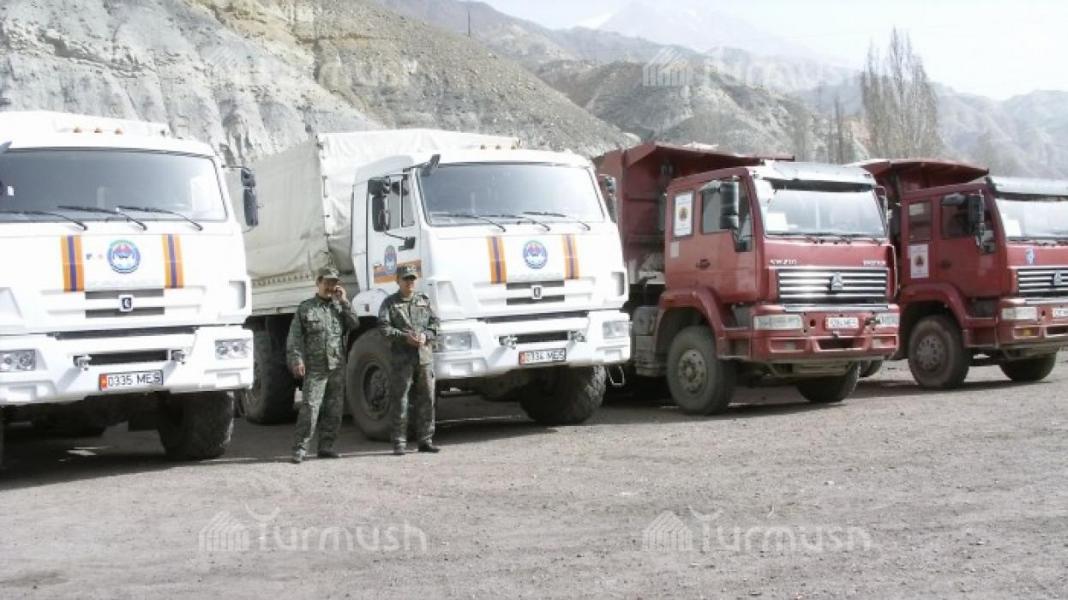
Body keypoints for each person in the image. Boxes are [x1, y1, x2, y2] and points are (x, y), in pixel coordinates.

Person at [286, 266, 358, 464]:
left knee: (334, 410)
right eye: (326, 282)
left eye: (333, 283)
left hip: (336, 366)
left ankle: (326, 447)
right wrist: (297, 360)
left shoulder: (339, 307)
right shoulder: (306, 308)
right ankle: (300, 449)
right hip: (315, 367)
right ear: (318, 283)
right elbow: (294, 338)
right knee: (310, 408)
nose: (330, 287)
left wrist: (344, 301)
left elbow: (354, 324)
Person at [378, 265, 440, 455]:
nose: (410, 282)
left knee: (427, 398)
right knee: (400, 399)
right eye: (406, 278)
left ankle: (425, 440)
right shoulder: (389, 303)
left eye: (412, 278)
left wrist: (426, 335)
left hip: (424, 357)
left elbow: (435, 323)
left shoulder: (423, 300)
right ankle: (399, 442)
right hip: (402, 359)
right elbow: (384, 328)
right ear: (397, 280)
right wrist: (404, 337)